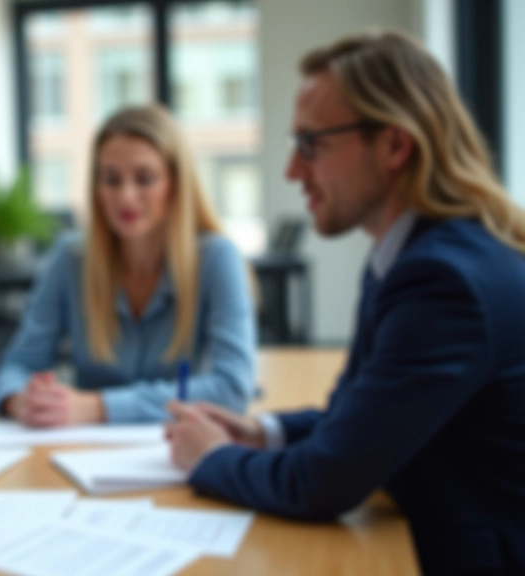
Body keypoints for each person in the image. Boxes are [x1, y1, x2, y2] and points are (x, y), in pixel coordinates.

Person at [166, 30, 525, 574]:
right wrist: (261, 432)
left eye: (312, 144)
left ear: (395, 146)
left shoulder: (443, 282)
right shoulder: (410, 255)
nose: (292, 170)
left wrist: (212, 458)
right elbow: (356, 417)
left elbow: (321, 483)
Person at [0, 104, 257, 427]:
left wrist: (98, 407)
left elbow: (231, 388)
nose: (126, 197)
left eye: (145, 179)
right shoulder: (70, 259)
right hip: (84, 456)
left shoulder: (218, 258)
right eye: (111, 179)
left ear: (175, 182)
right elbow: (16, 366)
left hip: (180, 449)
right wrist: (22, 401)